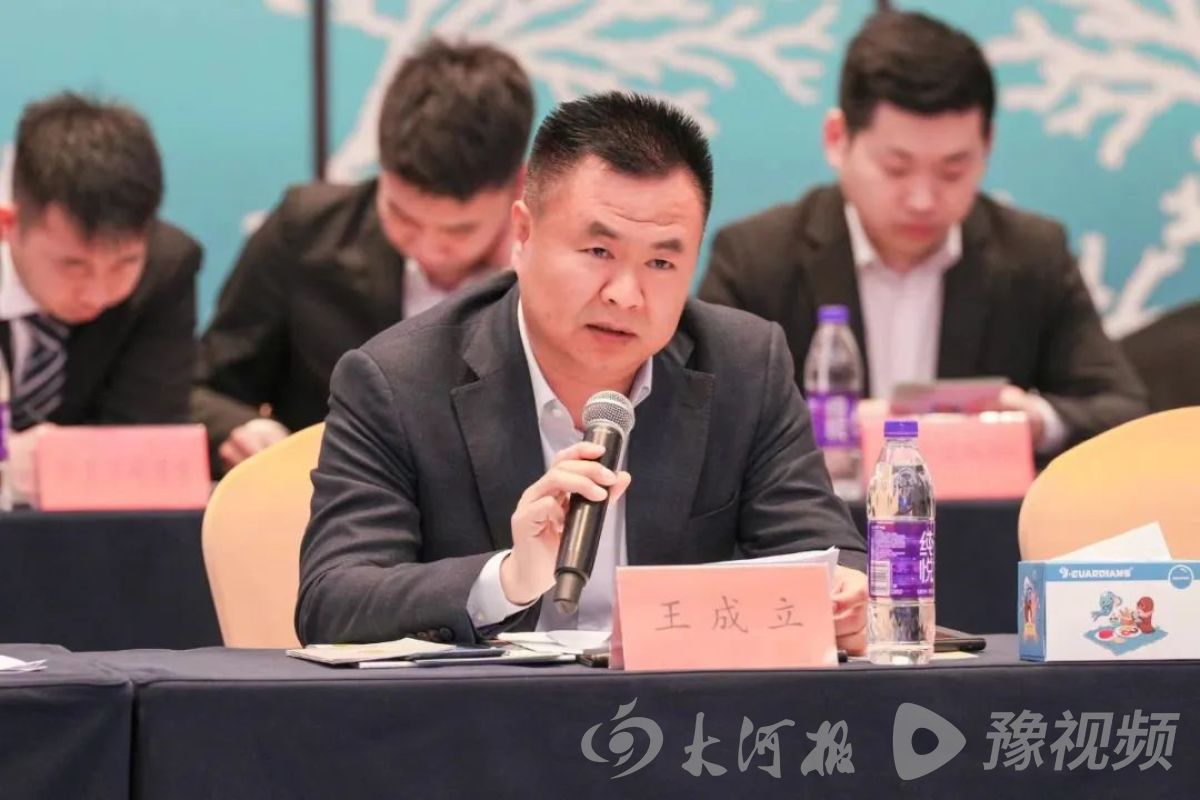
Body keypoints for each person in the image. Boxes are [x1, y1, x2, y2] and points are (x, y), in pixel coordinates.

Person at [297, 91, 869, 652]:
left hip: (680, 706)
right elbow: (333, 599)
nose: (626, 294)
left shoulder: (745, 365)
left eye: (661, 261)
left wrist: (846, 598)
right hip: (484, 709)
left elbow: (826, 552)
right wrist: (507, 579)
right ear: (522, 235)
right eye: (599, 252)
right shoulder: (397, 381)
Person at [699, 11, 1147, 455]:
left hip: (979, 503)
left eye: (953, 170)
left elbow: (1122, 410)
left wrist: (1033, 420)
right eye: (896, 168)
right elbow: (701, 417)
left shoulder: (1032, 255)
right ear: (837, 139)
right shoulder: (756, 259)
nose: (922, 199)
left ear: (987, 145)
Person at [193, 38, 534, 473]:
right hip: (323, 499)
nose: (429, 247)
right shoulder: (307, 231)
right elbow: (202, 389)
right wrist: (242, 428)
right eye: (403, 216)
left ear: (519, 185)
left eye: (460, 230)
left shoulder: (554, 265)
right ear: (382, 171)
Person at [0, 92, 200, 469]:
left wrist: (53, 461)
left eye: (125, 263)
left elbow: (145, 438)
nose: (98, 294)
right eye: (74, 265)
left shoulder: (166, 266)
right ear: (8, 226)